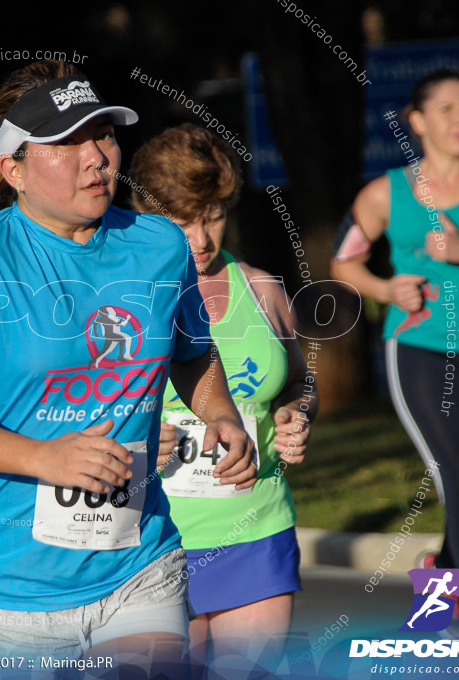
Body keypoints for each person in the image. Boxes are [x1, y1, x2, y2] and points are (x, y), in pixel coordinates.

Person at [0, 61, 257, 674]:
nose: (97, 157)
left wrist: (218, 410)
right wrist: (44, 457)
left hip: (139, 567)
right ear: (14, 168)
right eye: (68, 142)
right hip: (8, 596)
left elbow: (193, 354)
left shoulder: (159, 245)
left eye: (104, 135)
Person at [331, 69, 459, 636]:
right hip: (420, 348)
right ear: (418, 122)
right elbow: (343, 263)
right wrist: (383, 289)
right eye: (447, 108)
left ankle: (439, 575)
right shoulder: (383, 194)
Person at [128, 124, 317, 674]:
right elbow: (61, 407)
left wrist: (296, 415)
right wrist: (132, 440)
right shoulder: (116, 299)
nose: (203, 238)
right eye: (183, 220)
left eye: (212, 215)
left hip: (254, 525)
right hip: (150, 536)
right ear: (144, 211)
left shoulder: (262, 289)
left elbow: (301, 382)